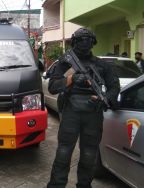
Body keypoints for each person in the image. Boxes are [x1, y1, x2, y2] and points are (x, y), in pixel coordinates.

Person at [47, 28, 120, 188]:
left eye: (88, 40)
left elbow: (114, 87)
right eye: (81, 40)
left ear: (93, 42)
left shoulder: (101, 65)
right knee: (64, 152)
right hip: (71, 111)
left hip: (93, 112)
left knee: (89, 153)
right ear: (74, 42)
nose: (85, 43)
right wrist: (72, 79)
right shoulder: (66, 62)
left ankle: (84, 184)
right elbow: (52, 86)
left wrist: (105, 99)